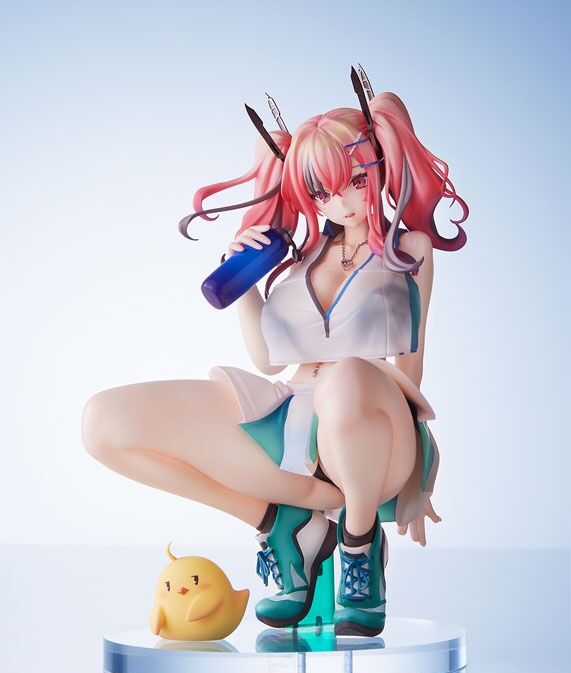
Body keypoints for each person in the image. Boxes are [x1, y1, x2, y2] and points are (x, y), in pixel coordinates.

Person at [81, 70, 468, 637]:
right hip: (293, 422)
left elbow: (412, 360)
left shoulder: (409, 250)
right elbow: (266, 362)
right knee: (104, 422)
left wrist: (419, 475)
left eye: (354, 181)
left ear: (379, 168)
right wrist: (244, 283)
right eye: (321, 192)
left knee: (349, 377)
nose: (339, 201)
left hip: (374, 428)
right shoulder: (298, 259)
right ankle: (285, 523)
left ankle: (359, 546)